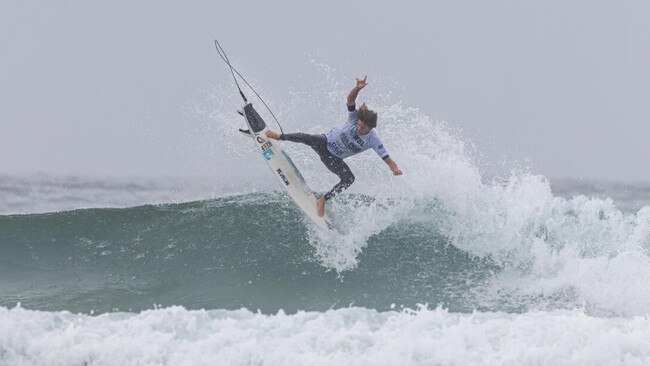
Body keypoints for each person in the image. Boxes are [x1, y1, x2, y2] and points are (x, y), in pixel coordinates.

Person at [265, 76, 402, 217]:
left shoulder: (373, 140)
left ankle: (323, 200)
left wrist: (395, 169)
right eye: (358, 124)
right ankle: (279, 136)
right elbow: (350, 100)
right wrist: (357, 88)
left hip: (333, 159)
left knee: (349, 179)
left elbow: (386, 158)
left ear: (371, 127)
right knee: (308, 137)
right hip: (325, 142)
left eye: (362, 127)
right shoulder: (354, 118)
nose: (358, 128)